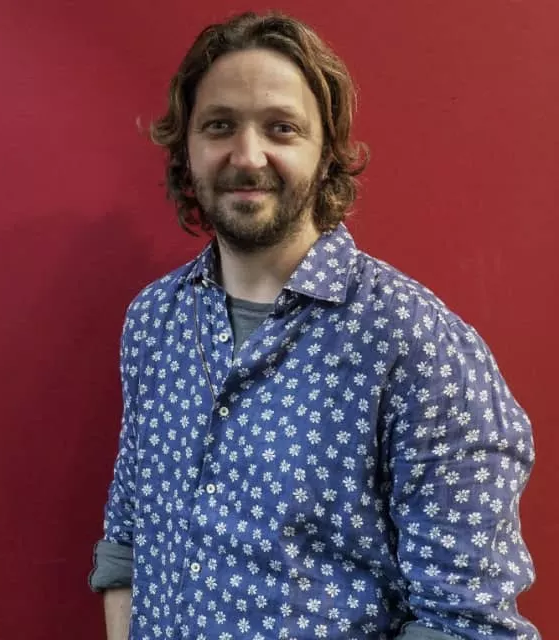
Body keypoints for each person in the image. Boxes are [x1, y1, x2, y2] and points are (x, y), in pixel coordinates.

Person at [88, 11, 539, 640]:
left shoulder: (415, 345)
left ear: (326, 154)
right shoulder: (153, 321)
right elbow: (128, 539)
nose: (247, 156)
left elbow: (462, 623)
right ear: (186, 147)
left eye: (281, 127)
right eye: (219, 125)